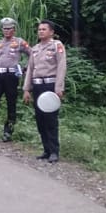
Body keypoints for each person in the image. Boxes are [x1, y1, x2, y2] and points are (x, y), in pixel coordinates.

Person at [22, 20, 67, 161]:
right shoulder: (35, 49)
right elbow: (30, 69)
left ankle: (54, 151)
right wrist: (26, 89)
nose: (40, 31)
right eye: (39, 29)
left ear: (51, 32)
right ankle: (46, 150)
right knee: (40, 119)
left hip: (50, 86)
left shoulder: (56, 46)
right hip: (37, 86)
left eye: (44, 29)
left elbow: (61, 66)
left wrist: (59, 88)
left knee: (50, 119)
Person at [0, 17, 31, 142]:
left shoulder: (20, 42)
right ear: (2, 30)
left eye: (9, 28)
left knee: (11, 104)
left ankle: (8, 132)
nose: (7, 31)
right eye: (5, 28)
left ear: (14, 29)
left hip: (12, 76)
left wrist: (25, 68)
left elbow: (32, 54)